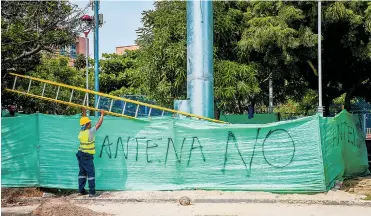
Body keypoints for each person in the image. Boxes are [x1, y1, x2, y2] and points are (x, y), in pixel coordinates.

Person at [76, 108, 105, 197]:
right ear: (87, 125)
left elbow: (83, 120)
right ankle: (92, 192)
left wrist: (84, 111)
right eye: (89, 123)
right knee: (91, 173)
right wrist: (102, 114)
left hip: (80, 154)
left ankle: (81, 190)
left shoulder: (81, 131)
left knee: (82, 173)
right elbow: (99, 124)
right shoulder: (90, 132)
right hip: (87, 156)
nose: (90, 123)